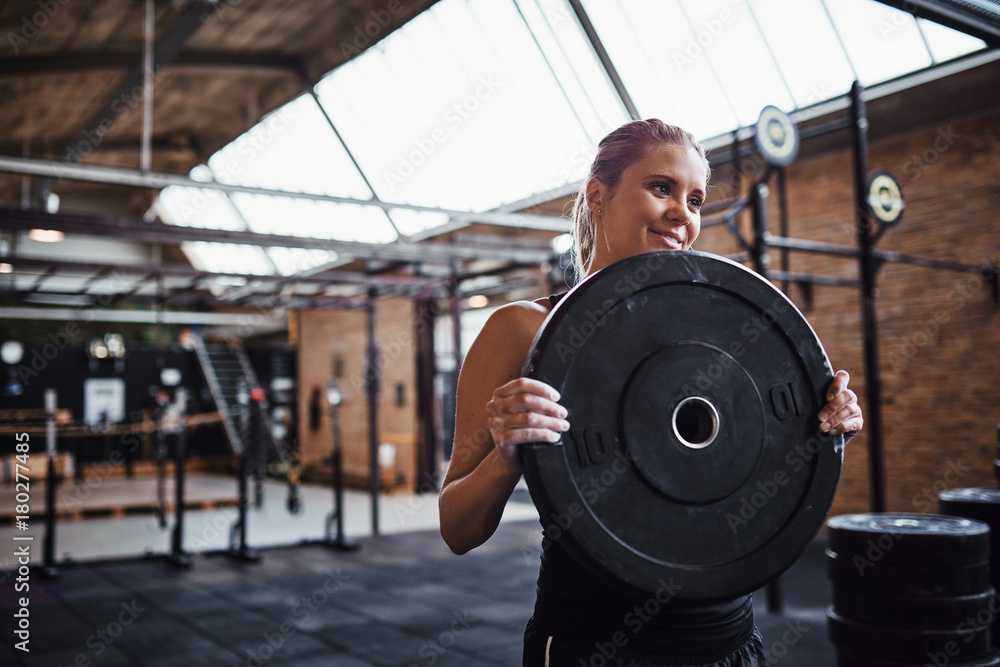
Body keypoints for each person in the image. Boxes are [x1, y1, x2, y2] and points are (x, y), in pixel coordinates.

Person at [439, 119, 863, 666]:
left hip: (729, 644)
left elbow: (762, 476)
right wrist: (506, 458)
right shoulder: (523, 330)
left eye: (695, 199)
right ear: (598, 195)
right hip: (594, 646)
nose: (682, 214)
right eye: (661, 188)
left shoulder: (725, 329)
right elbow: (456, 529)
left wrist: (823, 425)